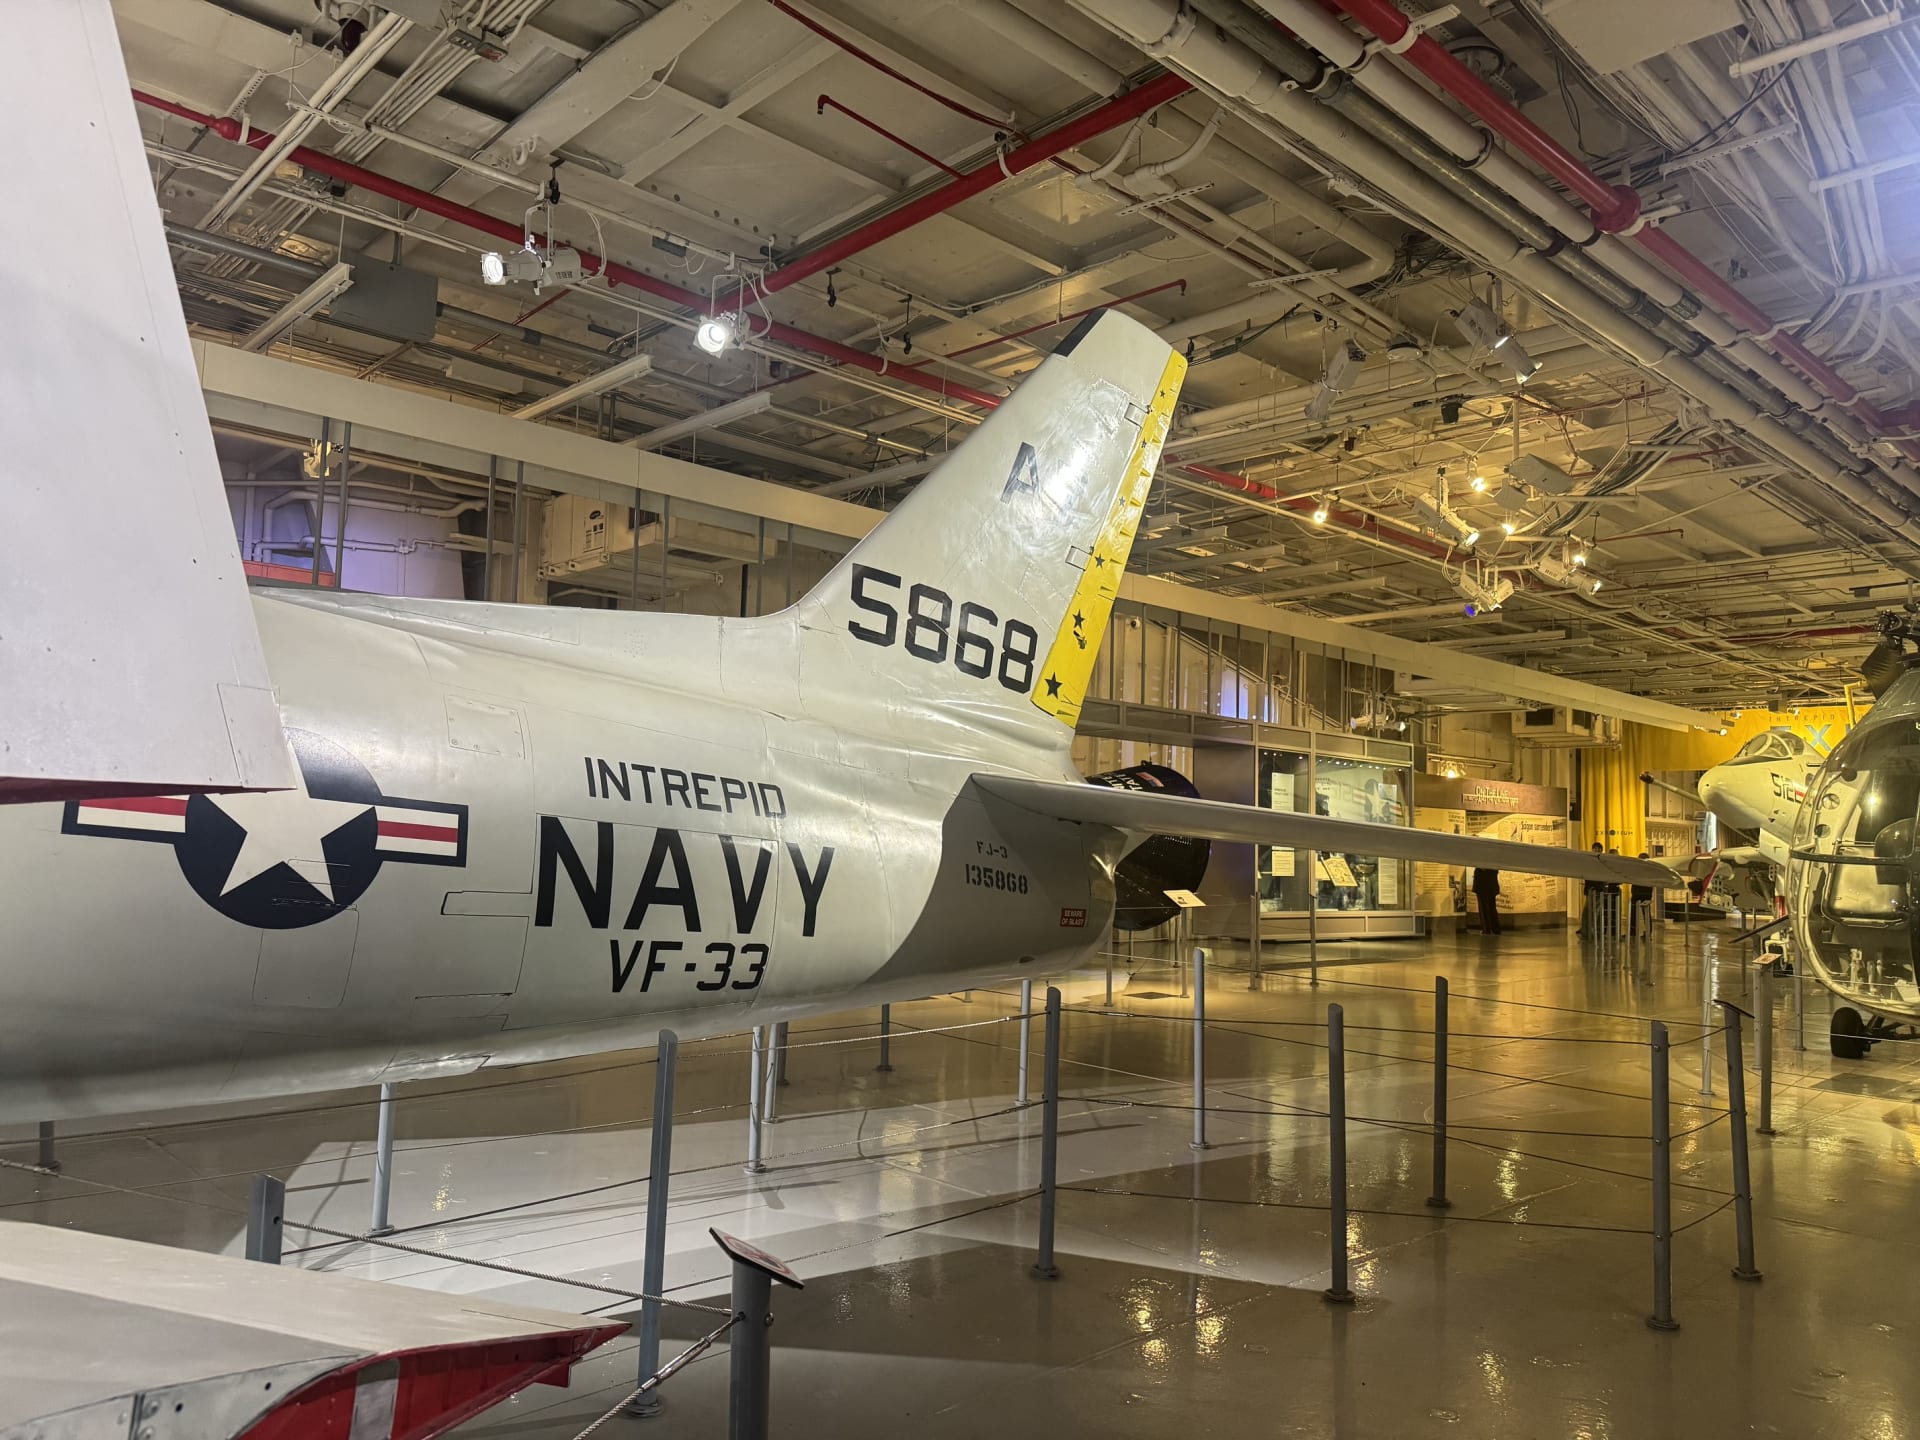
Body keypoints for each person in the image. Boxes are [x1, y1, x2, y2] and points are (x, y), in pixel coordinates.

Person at [1580, 842, 1607, 938]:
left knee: (1594, 913)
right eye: (1595, 848)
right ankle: (1588, 932)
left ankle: (1593, 932)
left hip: (1598, 890)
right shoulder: (1589, 861)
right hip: (1591, 890)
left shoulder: (1602, 862)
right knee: (1589, 912)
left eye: (1599, 848)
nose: (1597, 850)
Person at [1471, 867, 1502, 934]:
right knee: (1492, 908)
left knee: (1483, 908)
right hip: (1491, 885)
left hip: (1482, 885)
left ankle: (1486, 929)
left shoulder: (1482, 867)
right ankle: (1495, 928)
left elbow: (1480, 870)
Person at [1630, 852, 1655, 936]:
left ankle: (1633, 932)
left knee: (1635, 914)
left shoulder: (1636, 869)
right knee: (1646, 914)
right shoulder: (1650, 870)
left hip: (1637, 893)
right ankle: (1648, 932)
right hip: (1645, 894)